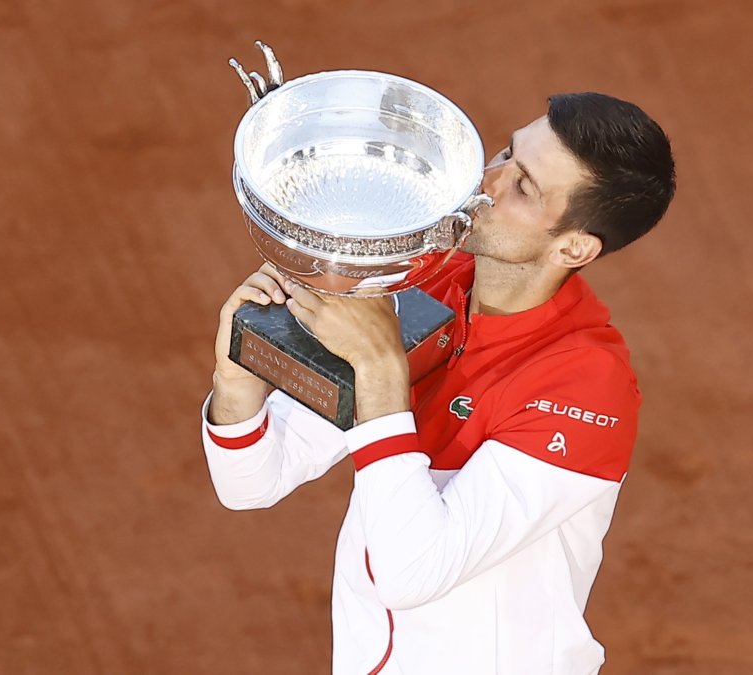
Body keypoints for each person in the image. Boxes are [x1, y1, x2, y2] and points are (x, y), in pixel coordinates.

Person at [201, 92, 676, 674]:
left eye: (523, 187)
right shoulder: (428, 282)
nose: (486, 183)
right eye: (506, 153)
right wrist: (238, 380)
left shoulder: (584, 385)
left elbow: (412, 572)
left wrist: (380, 371)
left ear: (573, 246)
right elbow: (253, 482)